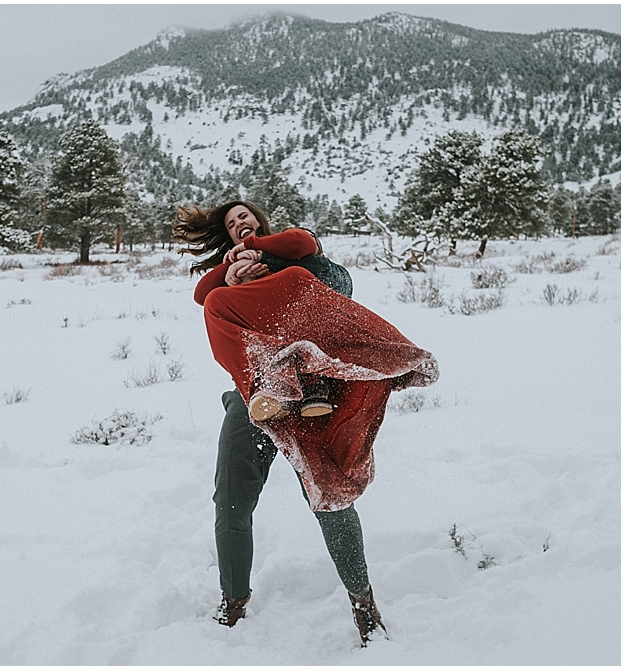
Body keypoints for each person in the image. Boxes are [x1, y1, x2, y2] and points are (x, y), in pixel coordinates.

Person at [173, 200, 437, 646]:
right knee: (232, 497)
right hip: (258, 396)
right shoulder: (228, 279)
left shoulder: (301, 261)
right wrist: (234, 269)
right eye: (231, 222)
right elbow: (204, 295)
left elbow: (342, 286)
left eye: (246, 217)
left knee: (329, 493)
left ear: (260, 223)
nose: (240, 223)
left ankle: (363, 605)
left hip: (316, 391)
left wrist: (269, 260)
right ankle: (233, 602)